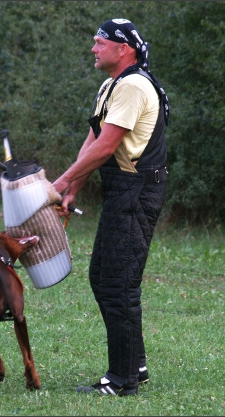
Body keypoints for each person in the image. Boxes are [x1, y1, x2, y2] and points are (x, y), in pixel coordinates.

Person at [52, 18, 170, 397]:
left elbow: (107, 148)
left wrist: (57, 183)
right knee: (105, 278)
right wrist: (72, 188)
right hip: (121, 190)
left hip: (138, 191)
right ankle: (134, 364)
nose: (93, 48)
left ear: (124, 49)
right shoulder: (111, 86)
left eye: (100, 43)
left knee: (117, 284)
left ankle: (122, 381)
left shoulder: (135, 85)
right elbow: (94, 143)